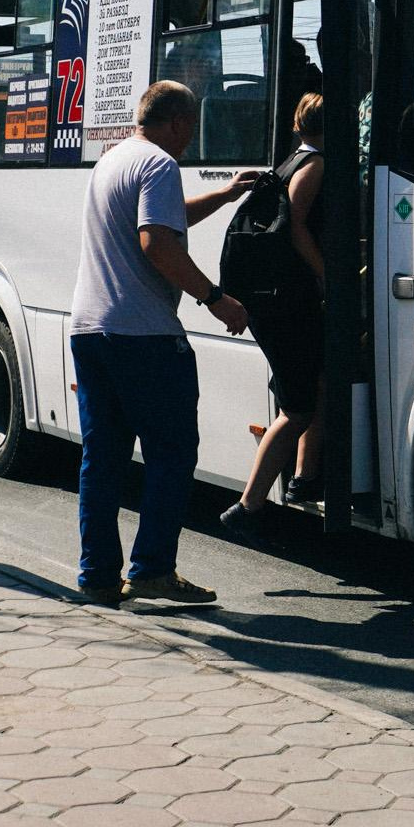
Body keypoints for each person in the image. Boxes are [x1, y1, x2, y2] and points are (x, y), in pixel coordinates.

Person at [69, 80, 263, 607]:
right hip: (144, 336)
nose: (190, 140)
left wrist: (223, 196)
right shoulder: (159, 165)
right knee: (172, 454)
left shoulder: (113, 161)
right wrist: (215, 297)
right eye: (191, 129)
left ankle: (98, 577)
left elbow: (160, 220)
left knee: (102, 458)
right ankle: (152, 568)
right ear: (178, 122)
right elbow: (156, 242)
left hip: (89, 330)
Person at [216, 93, 330, 542]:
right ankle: (247, 507)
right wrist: (327, 275)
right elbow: (296, 225)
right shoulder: (314, 165)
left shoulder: (291, 159)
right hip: (285, 300)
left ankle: (304, 476)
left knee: (316, 382)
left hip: (274, 298)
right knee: (297, 407)